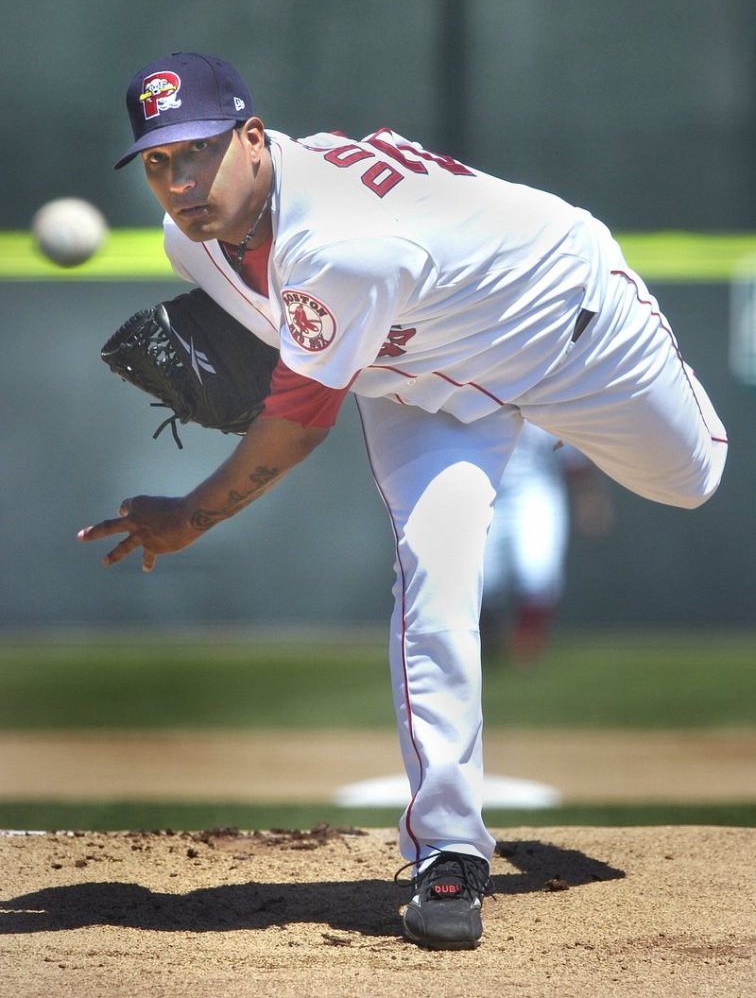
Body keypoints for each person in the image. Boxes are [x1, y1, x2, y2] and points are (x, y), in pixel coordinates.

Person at [79, 52, 728, 950]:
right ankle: (449, 850)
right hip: (417, 383)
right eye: (158, 161)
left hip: (567, 328)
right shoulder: (188, 241)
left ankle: (636, 389)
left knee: (691, 481)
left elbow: (300, 422)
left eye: (200, 151)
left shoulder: (339, 238)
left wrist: (190, 514)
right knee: (434, 575)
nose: (182, 181)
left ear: (254, 139)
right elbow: (303, 345)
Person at [481, 423, 614, 665]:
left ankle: (527, 650)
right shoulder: (472, 390)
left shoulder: (542, 390)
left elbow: (572, 457)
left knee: (537, 570)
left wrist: (590, 496)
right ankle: (483, 647)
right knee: (483, 579)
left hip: (536, 488)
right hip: (484, 488)